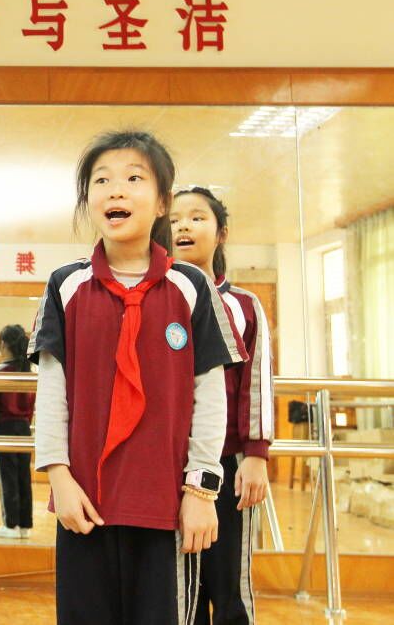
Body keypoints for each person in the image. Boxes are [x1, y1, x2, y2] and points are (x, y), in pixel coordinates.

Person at [30, 131, 245, 625]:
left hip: (166, 503)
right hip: (85, 504)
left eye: (133, 179)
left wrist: (201, 491)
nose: (116, 191)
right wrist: (58, 477)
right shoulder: (67, 284)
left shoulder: (190, 286)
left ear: (163, 202)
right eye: (101, 181)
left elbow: (209, 392)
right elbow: (53, 388)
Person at [173, 187, 274, 625]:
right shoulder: (159, 301)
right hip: (171, 462)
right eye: (175, 220)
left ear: (221, 233)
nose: (184, 226)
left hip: (230, 464)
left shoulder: (246, 305)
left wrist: (256, 454)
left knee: (229, 581)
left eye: (197, 218)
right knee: (181, 587)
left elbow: (257, 381)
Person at [0, 324, 36, 539]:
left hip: (4, 428)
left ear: (3, 344)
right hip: (23, 427)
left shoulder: (0, 370)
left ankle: (10, 524)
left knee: (8, 477)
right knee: (23, 476)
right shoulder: (30, 369)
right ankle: (24, 526)